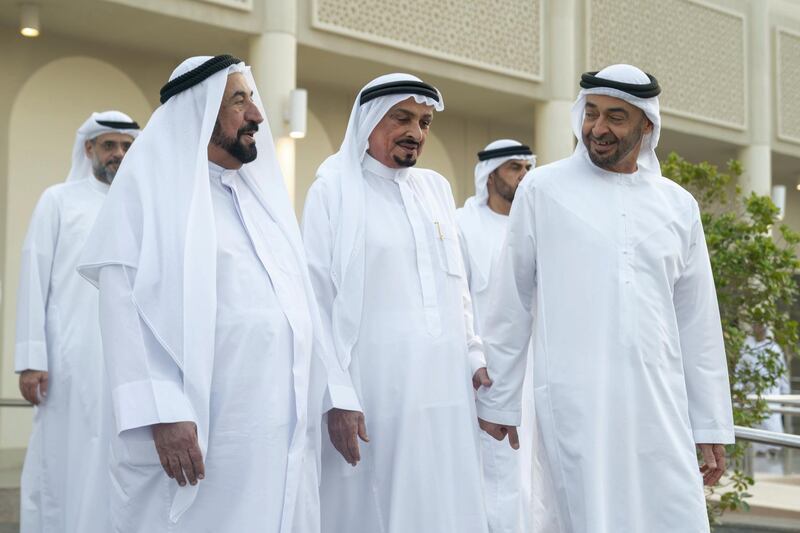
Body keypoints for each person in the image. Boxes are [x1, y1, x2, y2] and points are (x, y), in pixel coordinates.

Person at [477, 64, 735, 533]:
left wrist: (711, 423)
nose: (598, 128)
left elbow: (697, 320)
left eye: (616, 117)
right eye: (591, 113)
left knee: (674, 516)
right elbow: (510, 299)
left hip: (660, 407)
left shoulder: (678, 205)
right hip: (575, 404)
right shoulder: (544, 188)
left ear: (647, 125)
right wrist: (499, 401)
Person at [77, 55, 330, 532]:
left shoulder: (263, 203)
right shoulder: (151, 197)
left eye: (252, 100)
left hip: (274, 424)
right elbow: (124, 307)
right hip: (198, 431)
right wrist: (162, 412)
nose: (256, 114)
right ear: (200, 110)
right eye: (239, 101)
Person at [302, 73, 489, 533]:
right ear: (368, 121)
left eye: (425, 122)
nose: (416, 132)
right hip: (373, 393)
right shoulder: (333, 190)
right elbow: (315, 301)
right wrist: (337, 396)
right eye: (401, 118)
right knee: (375, 507)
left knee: (447, 502)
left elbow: (457, 290)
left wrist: (474, 356)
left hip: (446, 390)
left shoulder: (436, 190)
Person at [15, 110, 139, 533]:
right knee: (65, 459)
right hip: (69, 363)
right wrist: (32, 358)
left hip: (125, 364)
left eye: (126, 146)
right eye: (109, 146)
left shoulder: (141, 206)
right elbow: (34, 277)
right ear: (89, 149)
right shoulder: (58, 200)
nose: (118, 154)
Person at [457, 139, 537, 533]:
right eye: (515, 169)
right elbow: (458, 302)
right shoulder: (462, 225)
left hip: (534, 376)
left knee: (528, 480)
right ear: (490, 176)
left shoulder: (537, 226)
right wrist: (474, 360)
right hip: (480, 376)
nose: (524, 177)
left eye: (527, 168)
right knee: (486, 478)